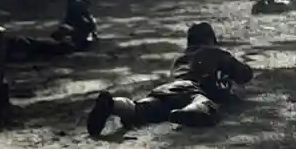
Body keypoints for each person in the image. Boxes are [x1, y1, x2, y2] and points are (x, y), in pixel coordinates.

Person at [86, 22, 253, 137]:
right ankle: (191, 112)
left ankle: (113, 104)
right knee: (204, 103)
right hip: (192, 90)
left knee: (141, 109)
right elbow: (246, 74)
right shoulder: (215, 53)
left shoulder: (181, 59)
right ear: (211, 40)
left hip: (166, 91)